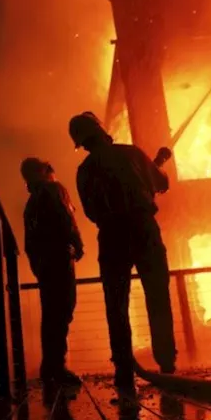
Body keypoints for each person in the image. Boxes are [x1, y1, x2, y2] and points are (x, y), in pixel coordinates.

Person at [68, 112, 177, 386]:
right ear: (103, 133)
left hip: (112, 235)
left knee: (116, 303)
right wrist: (157, 167)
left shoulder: (85, 171)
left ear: (82, 143)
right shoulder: (131, 154)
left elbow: (91, 211)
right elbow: (161, 182)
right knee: (157, 294)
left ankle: (123, 368)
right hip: (143, 229)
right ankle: (166, 362)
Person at [20, 157, 84, 386]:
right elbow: (67, 218)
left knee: (50, 313)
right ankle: (57, 367)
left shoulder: (31, 203)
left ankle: (50, 366)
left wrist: (37, 266)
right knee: (64, 309)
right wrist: (78, 243)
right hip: (59, 258)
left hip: (44, 265)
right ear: (45, 171)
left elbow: (29, 241)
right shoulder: (54, 190)